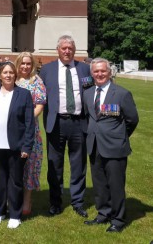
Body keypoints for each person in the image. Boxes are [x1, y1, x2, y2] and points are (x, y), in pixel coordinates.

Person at [83, 58, 139, 233]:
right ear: (92, 73)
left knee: (115, 184)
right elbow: (88, 117)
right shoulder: (88, 93)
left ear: (109, 72)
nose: (99, 74)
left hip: (115, 147)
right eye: (96, 71)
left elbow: (132, 120)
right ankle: (103, 213)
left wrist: (119, 136)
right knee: (99, 184)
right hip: (94, 145)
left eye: (103, 71)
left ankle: (118, 219)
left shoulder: (122, 93)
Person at [39, 34, 92, 217]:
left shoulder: (85, 69)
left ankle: (78, 202)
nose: (67, 51)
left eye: (70, 48)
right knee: (55, 164)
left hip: (79, 122)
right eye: (64, 48)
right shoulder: (46, 70)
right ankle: (55, 202)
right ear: (58, 50)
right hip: (56, 123)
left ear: (74, 50)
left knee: (78, 164)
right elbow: (38, 95)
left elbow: (93, 93)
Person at [0, 61, 34, 229]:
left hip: (15, 146)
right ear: (0, 76)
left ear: (15, 75)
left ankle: (15, 214)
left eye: (11, 72)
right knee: (0, 181)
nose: (8, 75)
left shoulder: (23, 94)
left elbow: (29, 123)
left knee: (15, 181)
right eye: (5, 73)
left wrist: (26, 147)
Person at [14, 51, 47, 215]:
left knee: (30, 164)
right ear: (18, 64)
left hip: (30, 131)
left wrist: (24, 120)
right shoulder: (10, 79)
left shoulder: (37, 82)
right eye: (23, 63)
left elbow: (39, 106)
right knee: (13, 164)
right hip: (12, 131)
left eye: (28, 63)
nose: (25, 66)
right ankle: (12, 198)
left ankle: (27, 200)